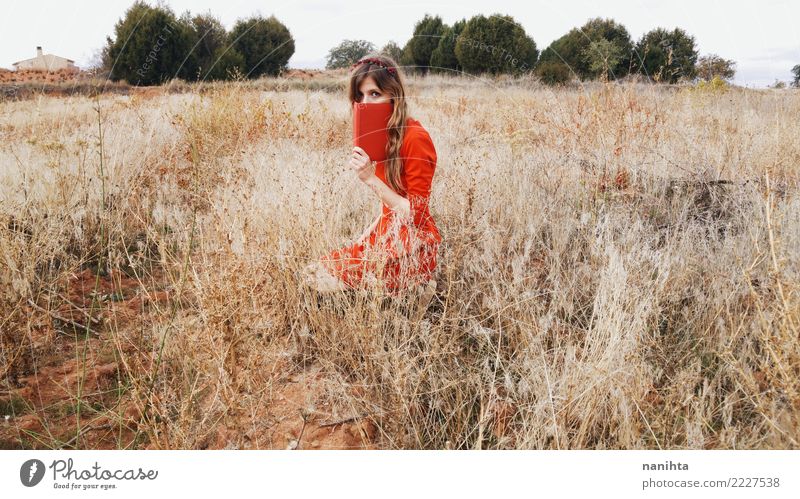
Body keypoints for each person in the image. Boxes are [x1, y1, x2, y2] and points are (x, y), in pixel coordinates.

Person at [301, 54, 442, 298]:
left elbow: (416, 216)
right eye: (360, 96)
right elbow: (386, 209)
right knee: (314, 271)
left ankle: (419, 285)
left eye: (375, 94)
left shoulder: (415, 138)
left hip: (413, 245)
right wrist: (360, 243)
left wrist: (370, 178)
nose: (365, 102)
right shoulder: (382, 138)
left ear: (393, 95)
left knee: (321, 279)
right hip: (387, 235)